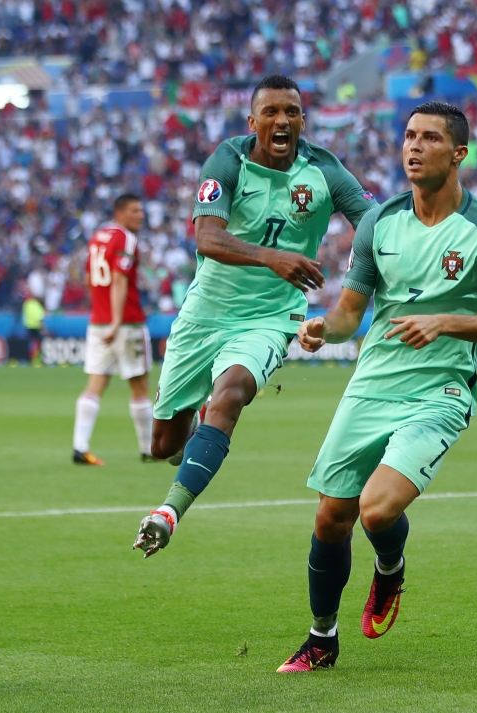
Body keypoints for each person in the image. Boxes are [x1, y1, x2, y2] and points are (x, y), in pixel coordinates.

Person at [276, 102, 477, 673]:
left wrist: (447, 322)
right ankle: (321, 640)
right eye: (409, 136)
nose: (414, 147)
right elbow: (349, 314)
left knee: (377, 510)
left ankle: (389, 569)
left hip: (438, 392)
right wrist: (323, 327)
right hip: (371, 384)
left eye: (431, 139)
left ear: (458, 154)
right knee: (329, 518)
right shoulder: (378, 223)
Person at [132, 75, 377, 556]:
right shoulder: (228, 160)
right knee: (163, 445)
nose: (282, 120)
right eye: (271, 112)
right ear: (253, 121)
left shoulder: (324, 170)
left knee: (232, 394)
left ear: (303, 120)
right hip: (205, 314)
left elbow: (373, 222)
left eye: (292, 112)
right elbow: (207, 238)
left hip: (270, 318)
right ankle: (197, 427)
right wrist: (274, 257)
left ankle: (168, 512)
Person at [72, 193, 156, 466]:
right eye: (135, 210)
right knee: (140, 385)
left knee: (96, 382)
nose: (140, 215)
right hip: (126, 323)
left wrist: (102, 311)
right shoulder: (126, 239)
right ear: (120, 213)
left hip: (98, 321)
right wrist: (117, 320)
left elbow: (88, 278)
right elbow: (119, 280)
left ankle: (80, 446)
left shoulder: (98, 236)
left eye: (142, 210)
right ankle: (148, 449)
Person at [22, 290, 46, 365]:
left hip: (28, 326)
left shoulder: (26, 304)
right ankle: (36, 359)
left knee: (30, 343)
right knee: (37, 343)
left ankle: (29, 359)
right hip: (36, 326)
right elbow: (39, 318)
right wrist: (43, 328)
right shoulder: (36, 305)